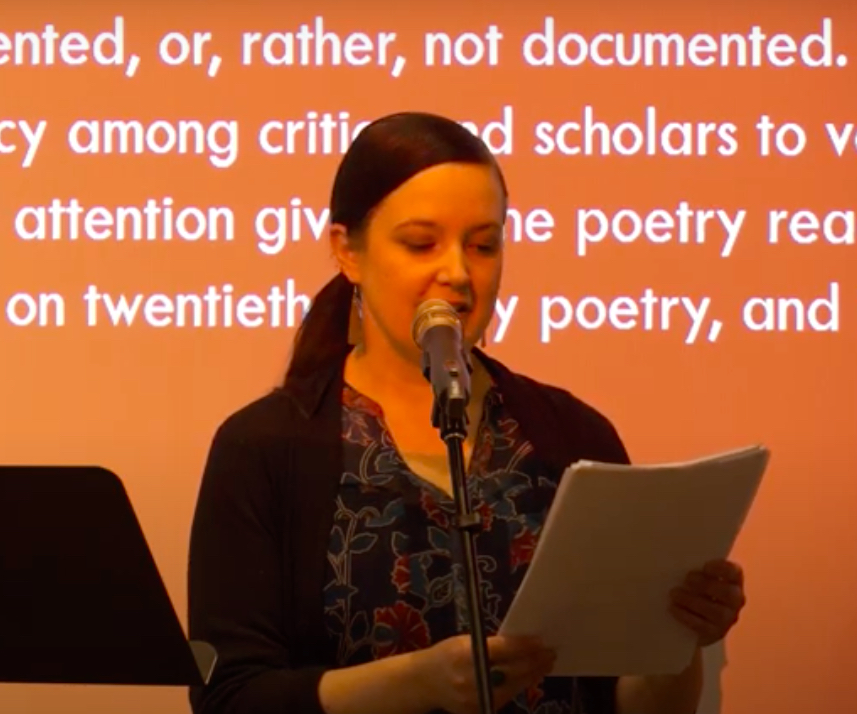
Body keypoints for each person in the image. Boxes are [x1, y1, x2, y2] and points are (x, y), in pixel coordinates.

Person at [186, 111, 747, 714]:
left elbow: (632, 703)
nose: (457, 273)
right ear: (347, 251)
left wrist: (680, 638)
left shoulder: (573, 437)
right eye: (420, 243)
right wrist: (419, 683)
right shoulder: (266, 446)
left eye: (483, 245)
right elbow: (230, 698)